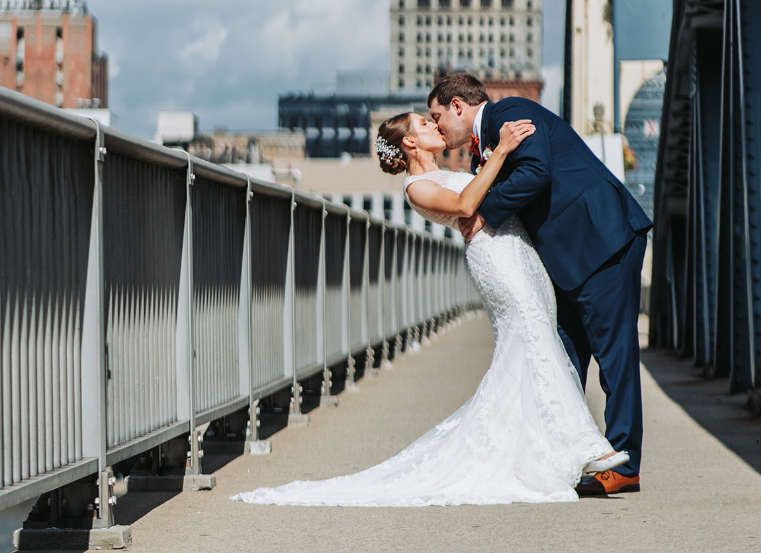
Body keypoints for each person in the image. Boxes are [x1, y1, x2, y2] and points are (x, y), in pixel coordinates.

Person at [232, 111, 628, 507]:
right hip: (498, 263)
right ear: (409, 143)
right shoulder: (416, 187)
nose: (435, 126)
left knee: (533, 347)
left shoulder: (452, 168)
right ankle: (586, 447)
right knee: (534, 341)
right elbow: (465, 201)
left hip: (519, 254)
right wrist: (503, 150)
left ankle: (552, 450)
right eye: (424, 123)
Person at [428, 74, 652, 496]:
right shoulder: (492, 139)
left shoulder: (508, 114)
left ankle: (626, 463)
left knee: (613, 355)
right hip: (569, 260)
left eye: (438, 117)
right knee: (562, 358)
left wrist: (484, 213)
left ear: (458, 106)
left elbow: (536, 172)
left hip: (600, 241)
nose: (438, 127)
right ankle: (567, 455)